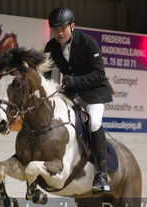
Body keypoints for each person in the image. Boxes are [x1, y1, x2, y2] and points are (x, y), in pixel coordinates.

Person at [44, 7, 113, 193]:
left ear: (72, 26)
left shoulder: (88, 43)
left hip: (94, 92)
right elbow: (46, 75)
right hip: (72, 92)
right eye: (55, 29)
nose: (59, 33)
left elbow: (99, 74)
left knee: (94, 123)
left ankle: (101, 175)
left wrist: (75, 81)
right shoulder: (50, 47)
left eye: (63, 29)